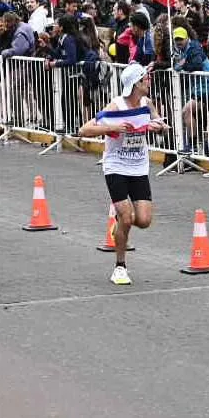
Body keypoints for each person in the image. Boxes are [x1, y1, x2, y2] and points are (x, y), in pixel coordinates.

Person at [78, 63, 168, 285]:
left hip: (138, 167)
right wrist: (112, 128)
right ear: (136, 84)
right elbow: (84, 129)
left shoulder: (147, 103)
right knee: (127, 217)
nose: (149, 82)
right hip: (116, 166)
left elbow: (160, 123)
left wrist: (160, 127)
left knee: (144, 220)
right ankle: (120, 266)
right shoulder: (117, 106)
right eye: (145, 79)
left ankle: (121, 224)